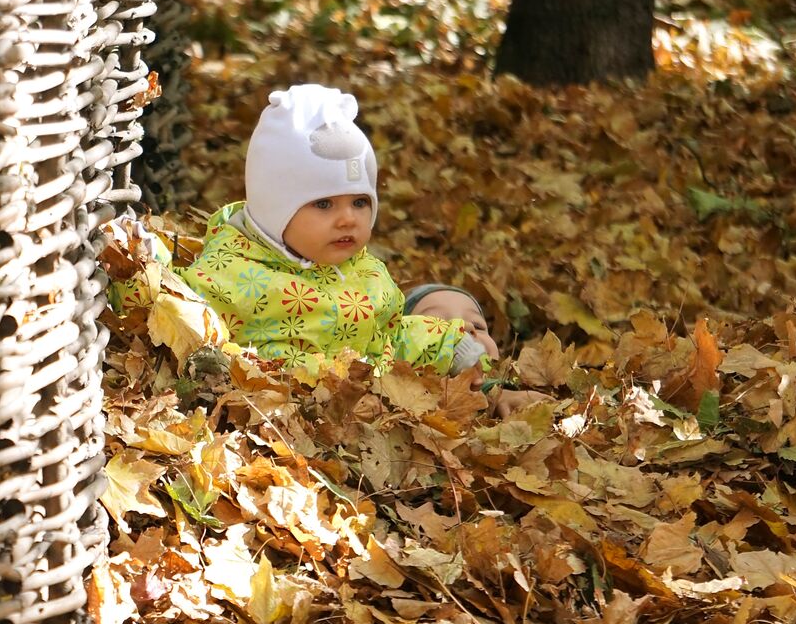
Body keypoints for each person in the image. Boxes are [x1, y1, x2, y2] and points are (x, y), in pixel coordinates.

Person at [110, 84, 488, 379]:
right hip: (280, 420)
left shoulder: (367, 273)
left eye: (359, 202)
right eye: (323, 204)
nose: (348, 219)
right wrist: (144, 266)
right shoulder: (233, 274)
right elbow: (177, 311)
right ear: (275, 208)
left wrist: (449, 346)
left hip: (366, 412)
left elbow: (389, 338)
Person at [403, 283, 555, 417]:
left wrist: (498, 394)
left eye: (478, 326)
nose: (466, 327)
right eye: (438, 322)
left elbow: (486, 388)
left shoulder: (507, 393)